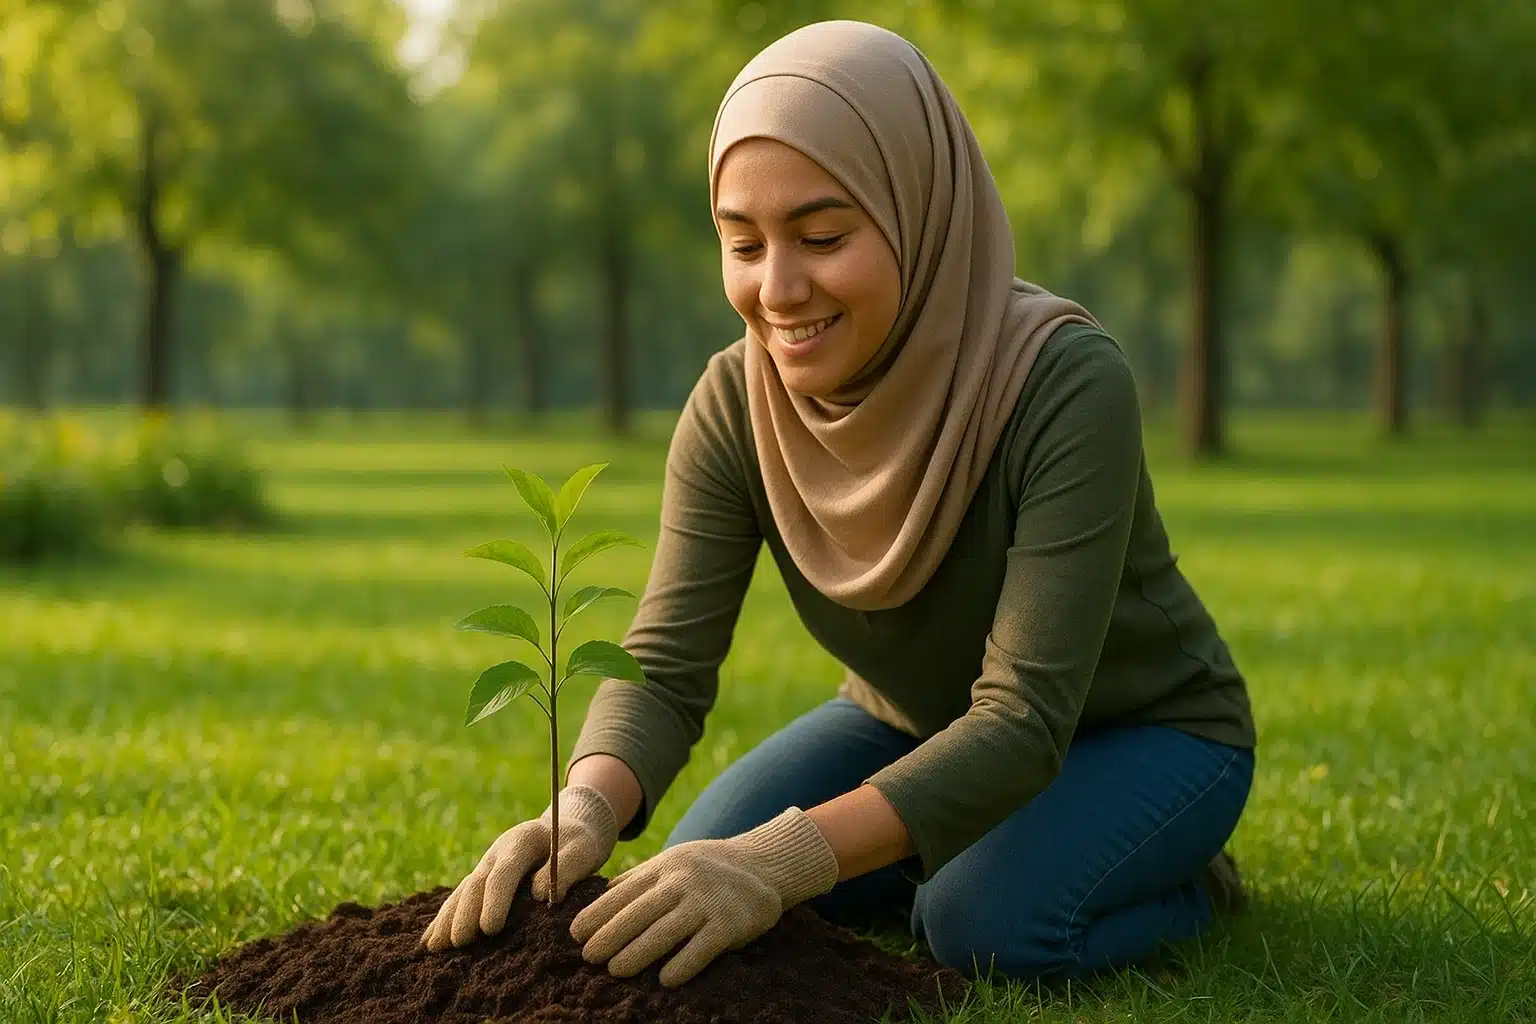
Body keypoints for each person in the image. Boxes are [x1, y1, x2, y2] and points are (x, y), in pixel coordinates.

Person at [421, 19, 1256, 989]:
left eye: (822, 236)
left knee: (980, 921)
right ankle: (940, 836)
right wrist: (585, 808)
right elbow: (666, 660)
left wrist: (783, 863)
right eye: (742, 242)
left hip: (1143, 732)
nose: (777, 288)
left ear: (915, 209)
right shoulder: (735, 401)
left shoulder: (1063, 382)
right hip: (911, 720)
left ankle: (1190, 879)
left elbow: (1025, 716)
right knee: (682, 879)